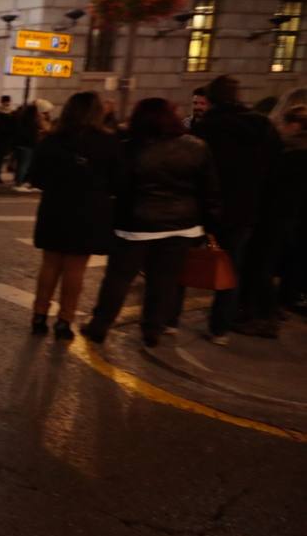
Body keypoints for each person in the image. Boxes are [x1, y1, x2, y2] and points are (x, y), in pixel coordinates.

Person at [81, 98, 220, 349]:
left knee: (119, 278)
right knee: (164, 280)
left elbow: (116, 186)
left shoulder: (129, 148)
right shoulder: (197, 147)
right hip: (181, 224)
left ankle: (100, 325)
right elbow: (208, 190)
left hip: (136, 224)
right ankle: (152, 330)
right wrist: (210, 225)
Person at [191, 75, 280, 344]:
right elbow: (275, 167)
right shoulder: (262, 126)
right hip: (246, 209)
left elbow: (196, 168)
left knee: (186, 260)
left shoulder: (207, 128)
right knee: (232, 267)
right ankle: (220, 328)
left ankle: (168, 320)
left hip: (207, 207)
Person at [26, 92, 121, 340]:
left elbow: (36, 177)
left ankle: (39, 315)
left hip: (55, 207)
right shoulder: (108, 142)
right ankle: (64, 321)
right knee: (75, 269)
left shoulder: (52, 140)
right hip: (89, 210)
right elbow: (117, 181)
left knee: (50, 264)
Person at [233, 104, 307, 338]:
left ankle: (265, 318)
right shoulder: (294, 151)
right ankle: (268, 310)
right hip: (288, 218)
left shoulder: (293, 153)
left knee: (261, 266)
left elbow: (275, 187)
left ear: (294, 125)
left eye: (284, 123)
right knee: (267, 265)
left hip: (276, 217)